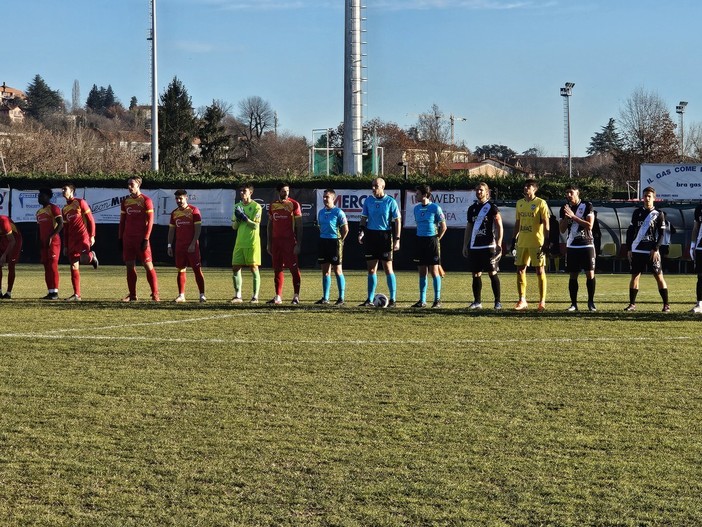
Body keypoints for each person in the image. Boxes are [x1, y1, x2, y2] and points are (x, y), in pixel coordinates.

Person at [624, 186, 669, 312]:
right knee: (635, 276)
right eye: (645, 196)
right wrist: (629, 248)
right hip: (637, 250)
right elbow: (630, 231)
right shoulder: (637, 213)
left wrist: (656, 249)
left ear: (654, 198)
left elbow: (661, 234)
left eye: (649, 196)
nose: (647, 198)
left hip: (651, 252)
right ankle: (632, 304)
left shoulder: (659, 214)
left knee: (659, 276)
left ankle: (666, 305)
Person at [358, 177, 401, 307]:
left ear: (383, 186)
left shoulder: (390, 201)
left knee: (388, 268)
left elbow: (398, 221)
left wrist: (397, 239)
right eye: (372, 185)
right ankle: (370, 299)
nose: (373, 188)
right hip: (371, 236)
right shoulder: (368, 201)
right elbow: (363, 218)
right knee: (371, 270)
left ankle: (392, 299)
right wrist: (361, 232)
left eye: (376, 186)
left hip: (385, 236)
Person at [463, 182, 503, 310]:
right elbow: (469, 227)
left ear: (487, 192)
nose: (478, 192)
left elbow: (499, 225)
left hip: (489, 246)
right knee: (475, 274)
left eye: (481, 190)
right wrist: (465, 244)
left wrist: (499, 243)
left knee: (492, 272)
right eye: (477, 190)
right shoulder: (472, 208)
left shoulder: (492, 207)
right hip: (475, 246)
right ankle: (477, 302)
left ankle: (497, 302)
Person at [119, 177, 159, 302]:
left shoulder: (146, 200)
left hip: (141, 239)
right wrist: (120, 238)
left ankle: (155, 294)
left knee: (148, 265)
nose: (129, 187)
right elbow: (122, 221)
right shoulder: (125, 201)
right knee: (129, 266)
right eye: (128, 184)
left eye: (132, 184)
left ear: (138, 185)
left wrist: (146, 238)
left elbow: (151, 221)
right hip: (128, 239)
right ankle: (133, 295)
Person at [513, 179, 550, 311]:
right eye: (525, 186)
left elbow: (546, 222)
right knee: (520, 270)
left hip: (536, 242)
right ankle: (522, 299)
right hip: (522, 242)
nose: (526, 188)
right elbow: (518, 222)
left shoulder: (540, 203)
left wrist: (547, 240)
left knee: (539, 270)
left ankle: (542, 301)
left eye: (529, 186)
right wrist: (514, 239)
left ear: (535, 189)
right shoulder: (519, 203)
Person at [559, 185, 597, 312]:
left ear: (577, 193)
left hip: (586, 244)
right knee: (573, 275)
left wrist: (574, 216)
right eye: (567, 193)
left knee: (590, 274)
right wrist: (566, 216)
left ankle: (591, 302)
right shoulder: (564, 208)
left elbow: (589, 225)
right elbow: (562, 229)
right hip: (572, 246)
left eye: (571, 192)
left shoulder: (587, 205)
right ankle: (573, 304)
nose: (569, 195)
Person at [267, 182, 303, 305]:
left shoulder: (294, 204)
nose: (286, 193)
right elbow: (270, 225)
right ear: (278, 192)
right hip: (276, 242)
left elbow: (299, 225)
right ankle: (278, 296)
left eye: (287, 190)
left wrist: (298, 244)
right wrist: (269, 243)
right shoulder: (273, 205)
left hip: (289, 242)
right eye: (283, 191)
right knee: (277, 269)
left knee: (293, 269)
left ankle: (296, 296)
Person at [167, 189, 206, 303]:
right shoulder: (174, 213)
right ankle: (181, 295)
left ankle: (202, 294)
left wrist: (193, 243)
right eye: (177, 199)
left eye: (181, 198)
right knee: (180, 270)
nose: (179, 200)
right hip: (179, 246)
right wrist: (169, 245)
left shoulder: (194, 210)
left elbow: (198, 229)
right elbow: (171, 231)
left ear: (186, 198)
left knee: (197, 270)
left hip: (192, 246)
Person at [411, 185, 446, 308]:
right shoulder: (416, 209)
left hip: (432, 241)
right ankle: (422, 300)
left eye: (418, 194)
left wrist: (436, 239)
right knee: (422, 272)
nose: (416, 196)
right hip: (420, 240)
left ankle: (437, 300)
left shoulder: (435, 208)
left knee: (434, 271)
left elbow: (443, 226)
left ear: (425, 195)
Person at [61, 184, 98, 301]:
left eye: (65, 189)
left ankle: (92, 256)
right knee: (73, 265)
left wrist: (92, 235)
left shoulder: (80, 202)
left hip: (82, 236)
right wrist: (66, 245)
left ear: (71, 191)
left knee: (84, 259)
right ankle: (77, 294)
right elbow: (66, 229)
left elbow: (91, 219)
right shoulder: (64, 209)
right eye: (62, 189)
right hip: (72, 240)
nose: (63, 191)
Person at [315, 189, 348, 305]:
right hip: (323, 242)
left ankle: (341, 298)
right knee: (325, 272)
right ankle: (325, 298)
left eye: (327, 197)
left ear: (333, 198)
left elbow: (345, 229)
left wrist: (340, 241)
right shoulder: (321, 212)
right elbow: (320, 227)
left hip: (335, 242)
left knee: (338, 270)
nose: (324, 199)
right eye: (323, 197)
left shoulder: (338, 212)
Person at [231, 183, 263, 303]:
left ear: (250, 192)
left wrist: (244, 217)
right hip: (239, 242)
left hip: (252, 243)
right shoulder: (237, 206)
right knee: (235, 268)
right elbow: (234, 227)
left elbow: (255, 225)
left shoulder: (256, 206)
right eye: (241, 191)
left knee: (253, 268)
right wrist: (238, 219)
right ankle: (238, 295)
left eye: (244, 191)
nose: (242, 193)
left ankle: (255, 296)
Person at [36, 188, 64, 300]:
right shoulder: (38, 212)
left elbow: (61, 224)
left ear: (48, 197)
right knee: (46, 266)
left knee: (53, 265)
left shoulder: (53, 208)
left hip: (54, 242)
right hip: (43, 244)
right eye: (39, 196)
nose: (39, 198)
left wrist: (51, 237)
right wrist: (39, 241)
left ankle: (55, 292)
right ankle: (50, 292)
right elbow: (39, 229)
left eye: (42, 196)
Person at [0, 214, 22, 299]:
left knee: (11, 265)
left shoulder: (3, 221)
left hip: (15, 240)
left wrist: (4, 255)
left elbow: (12, 241)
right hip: (3, 239)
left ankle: (8, 293)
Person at [689, 202, 702, 313]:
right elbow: (695, 228)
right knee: (700, 277)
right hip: (700, 247)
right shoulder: (699, 208)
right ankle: (700, 304)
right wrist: (692, 245)